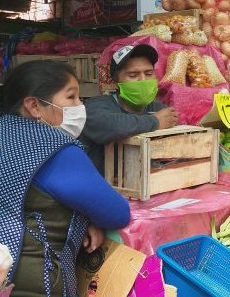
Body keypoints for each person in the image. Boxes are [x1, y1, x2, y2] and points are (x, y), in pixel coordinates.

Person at [0, 60, 131, 296]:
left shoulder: (6, 133)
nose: (80, 106)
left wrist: (82, 216)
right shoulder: (56, 151)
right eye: (71, 98)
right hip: (36, 283)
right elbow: (117, 212)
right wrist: (89, 214)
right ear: (34, 106)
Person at [80, 44, 178, 175]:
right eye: (133, 75)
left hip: (147, 185)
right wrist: (155, 122)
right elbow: (110, 126)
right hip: (102, 188)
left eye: (149, 73)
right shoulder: (96, 107)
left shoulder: (157, 108)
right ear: (116, 82)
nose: (143, 80)